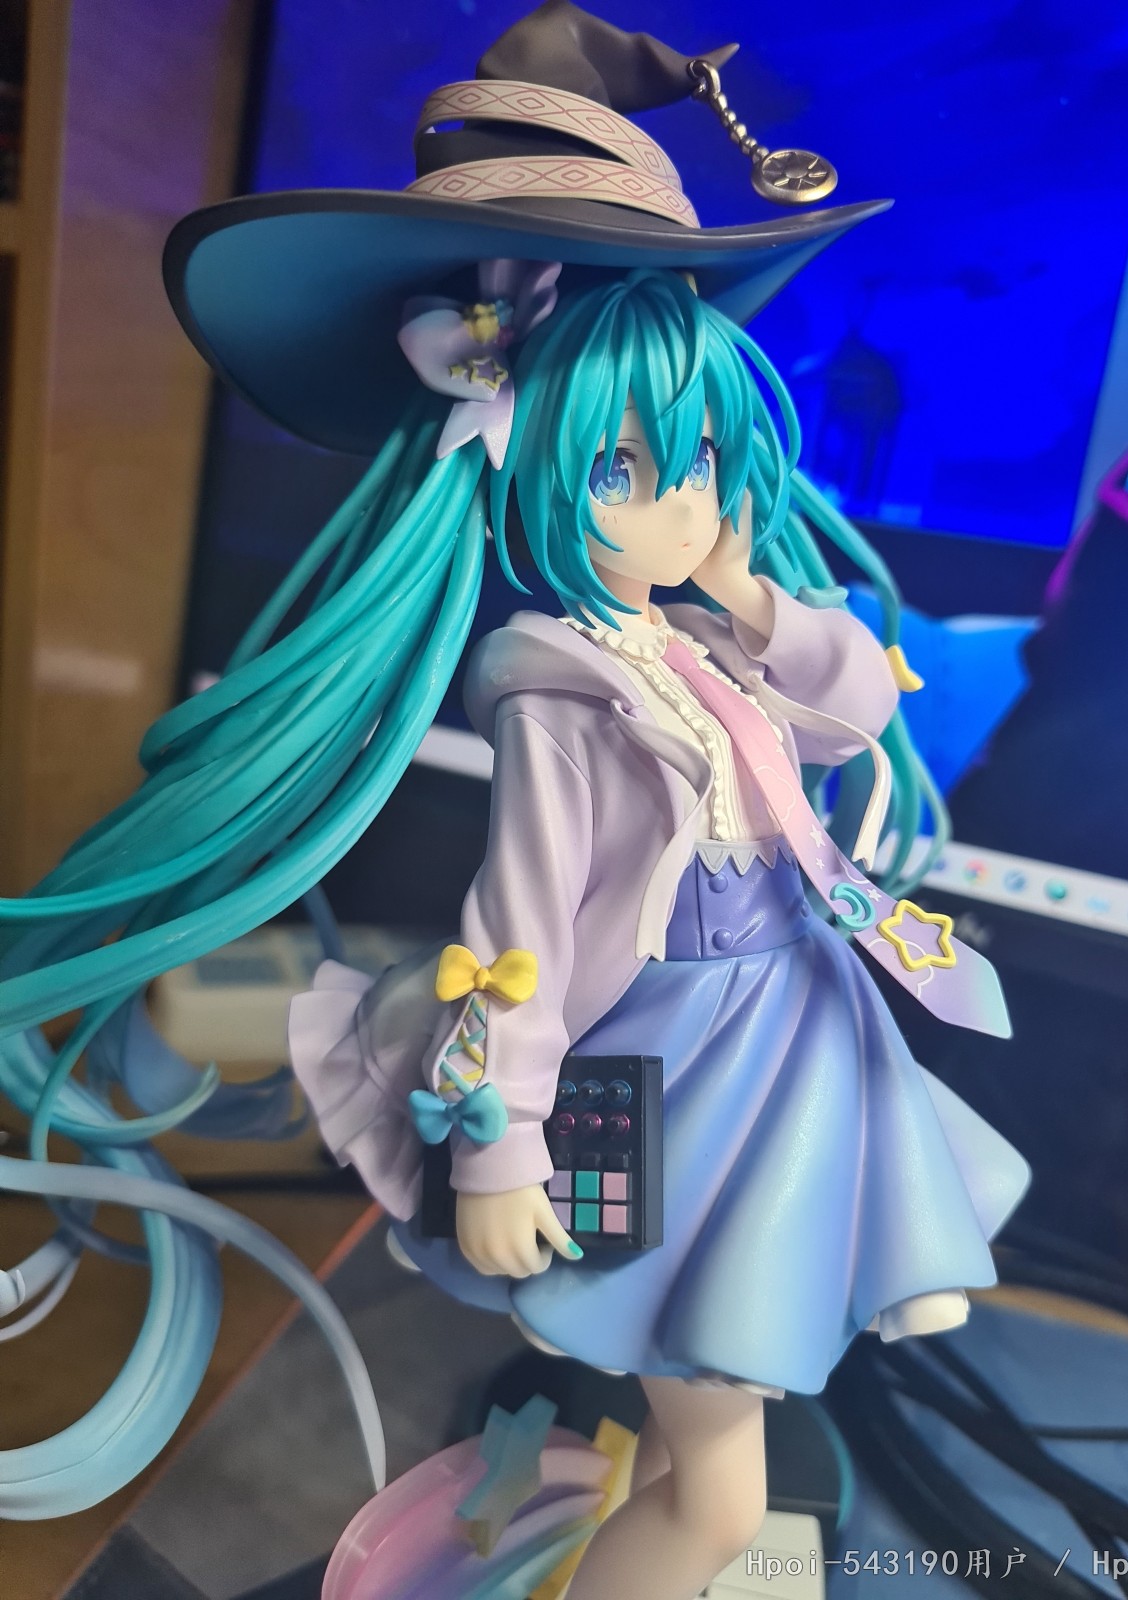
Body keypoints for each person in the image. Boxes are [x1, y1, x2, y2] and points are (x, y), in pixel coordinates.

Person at [0, 5, 1029, 1592]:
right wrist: (496, 1153)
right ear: (524, 458)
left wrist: (746, 590)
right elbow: (518, 940)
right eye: (624, 470)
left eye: (700, 459)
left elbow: (847, 710)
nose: (679, 503)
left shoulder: (704, 640)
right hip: (674, 1075)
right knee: (719, 1498)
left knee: (712, 1430)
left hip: (792, 1047)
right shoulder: (565, 694)